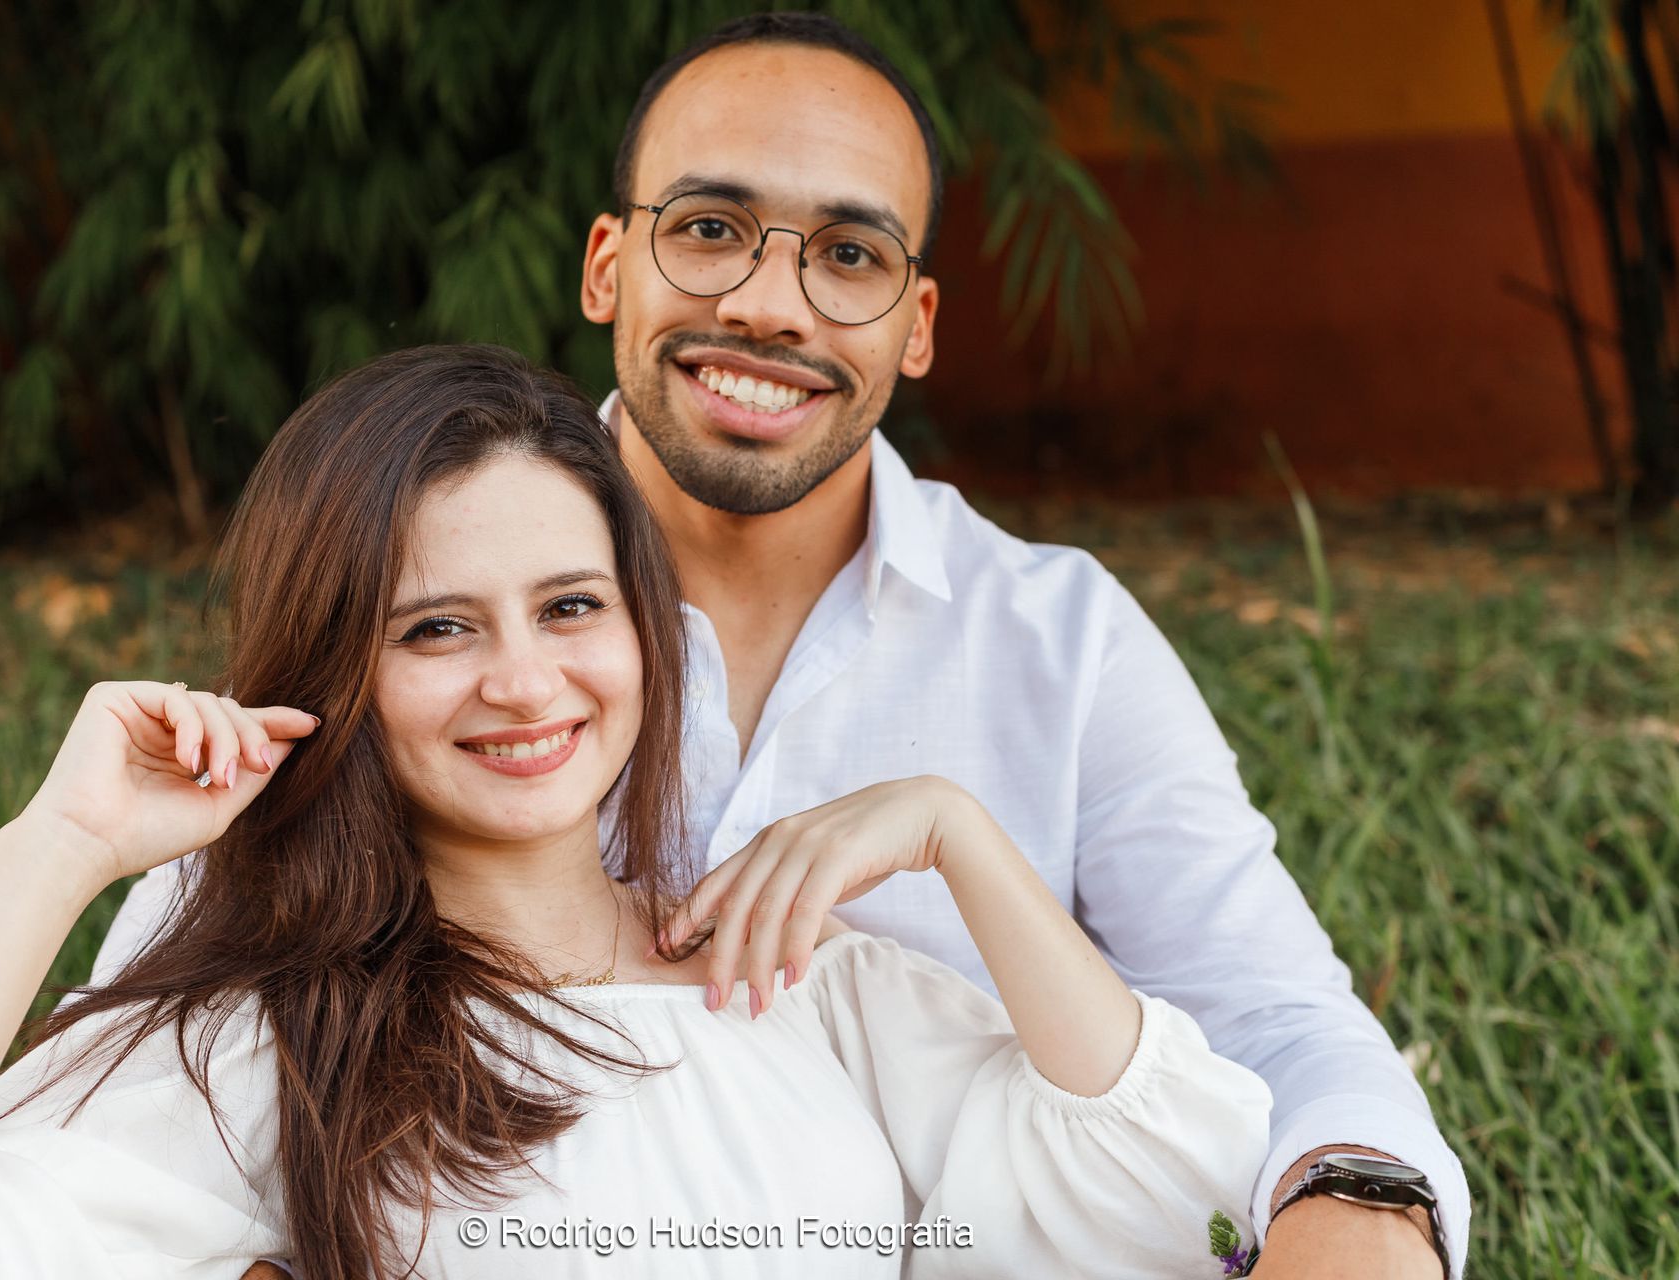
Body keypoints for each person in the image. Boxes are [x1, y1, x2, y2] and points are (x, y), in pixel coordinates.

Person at [96, 14, 1469, 1280]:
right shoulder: (434, 597)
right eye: (710, 229)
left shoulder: (1057, 637)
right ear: (607, 264)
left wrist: (1365, 1210)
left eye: (851, 256)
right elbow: (172, 1044)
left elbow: (1274, 1015)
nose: (772, 305)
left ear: (915, 327)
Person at [0, 344, 1270, 1278]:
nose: (525, 682)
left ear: (642, 631)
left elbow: (1164, 1202)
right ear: (337, 669)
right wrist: (61, 846)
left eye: (569, 607)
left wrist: (956, 827)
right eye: (436, 630)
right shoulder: (272, 1033)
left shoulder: (794, 981)